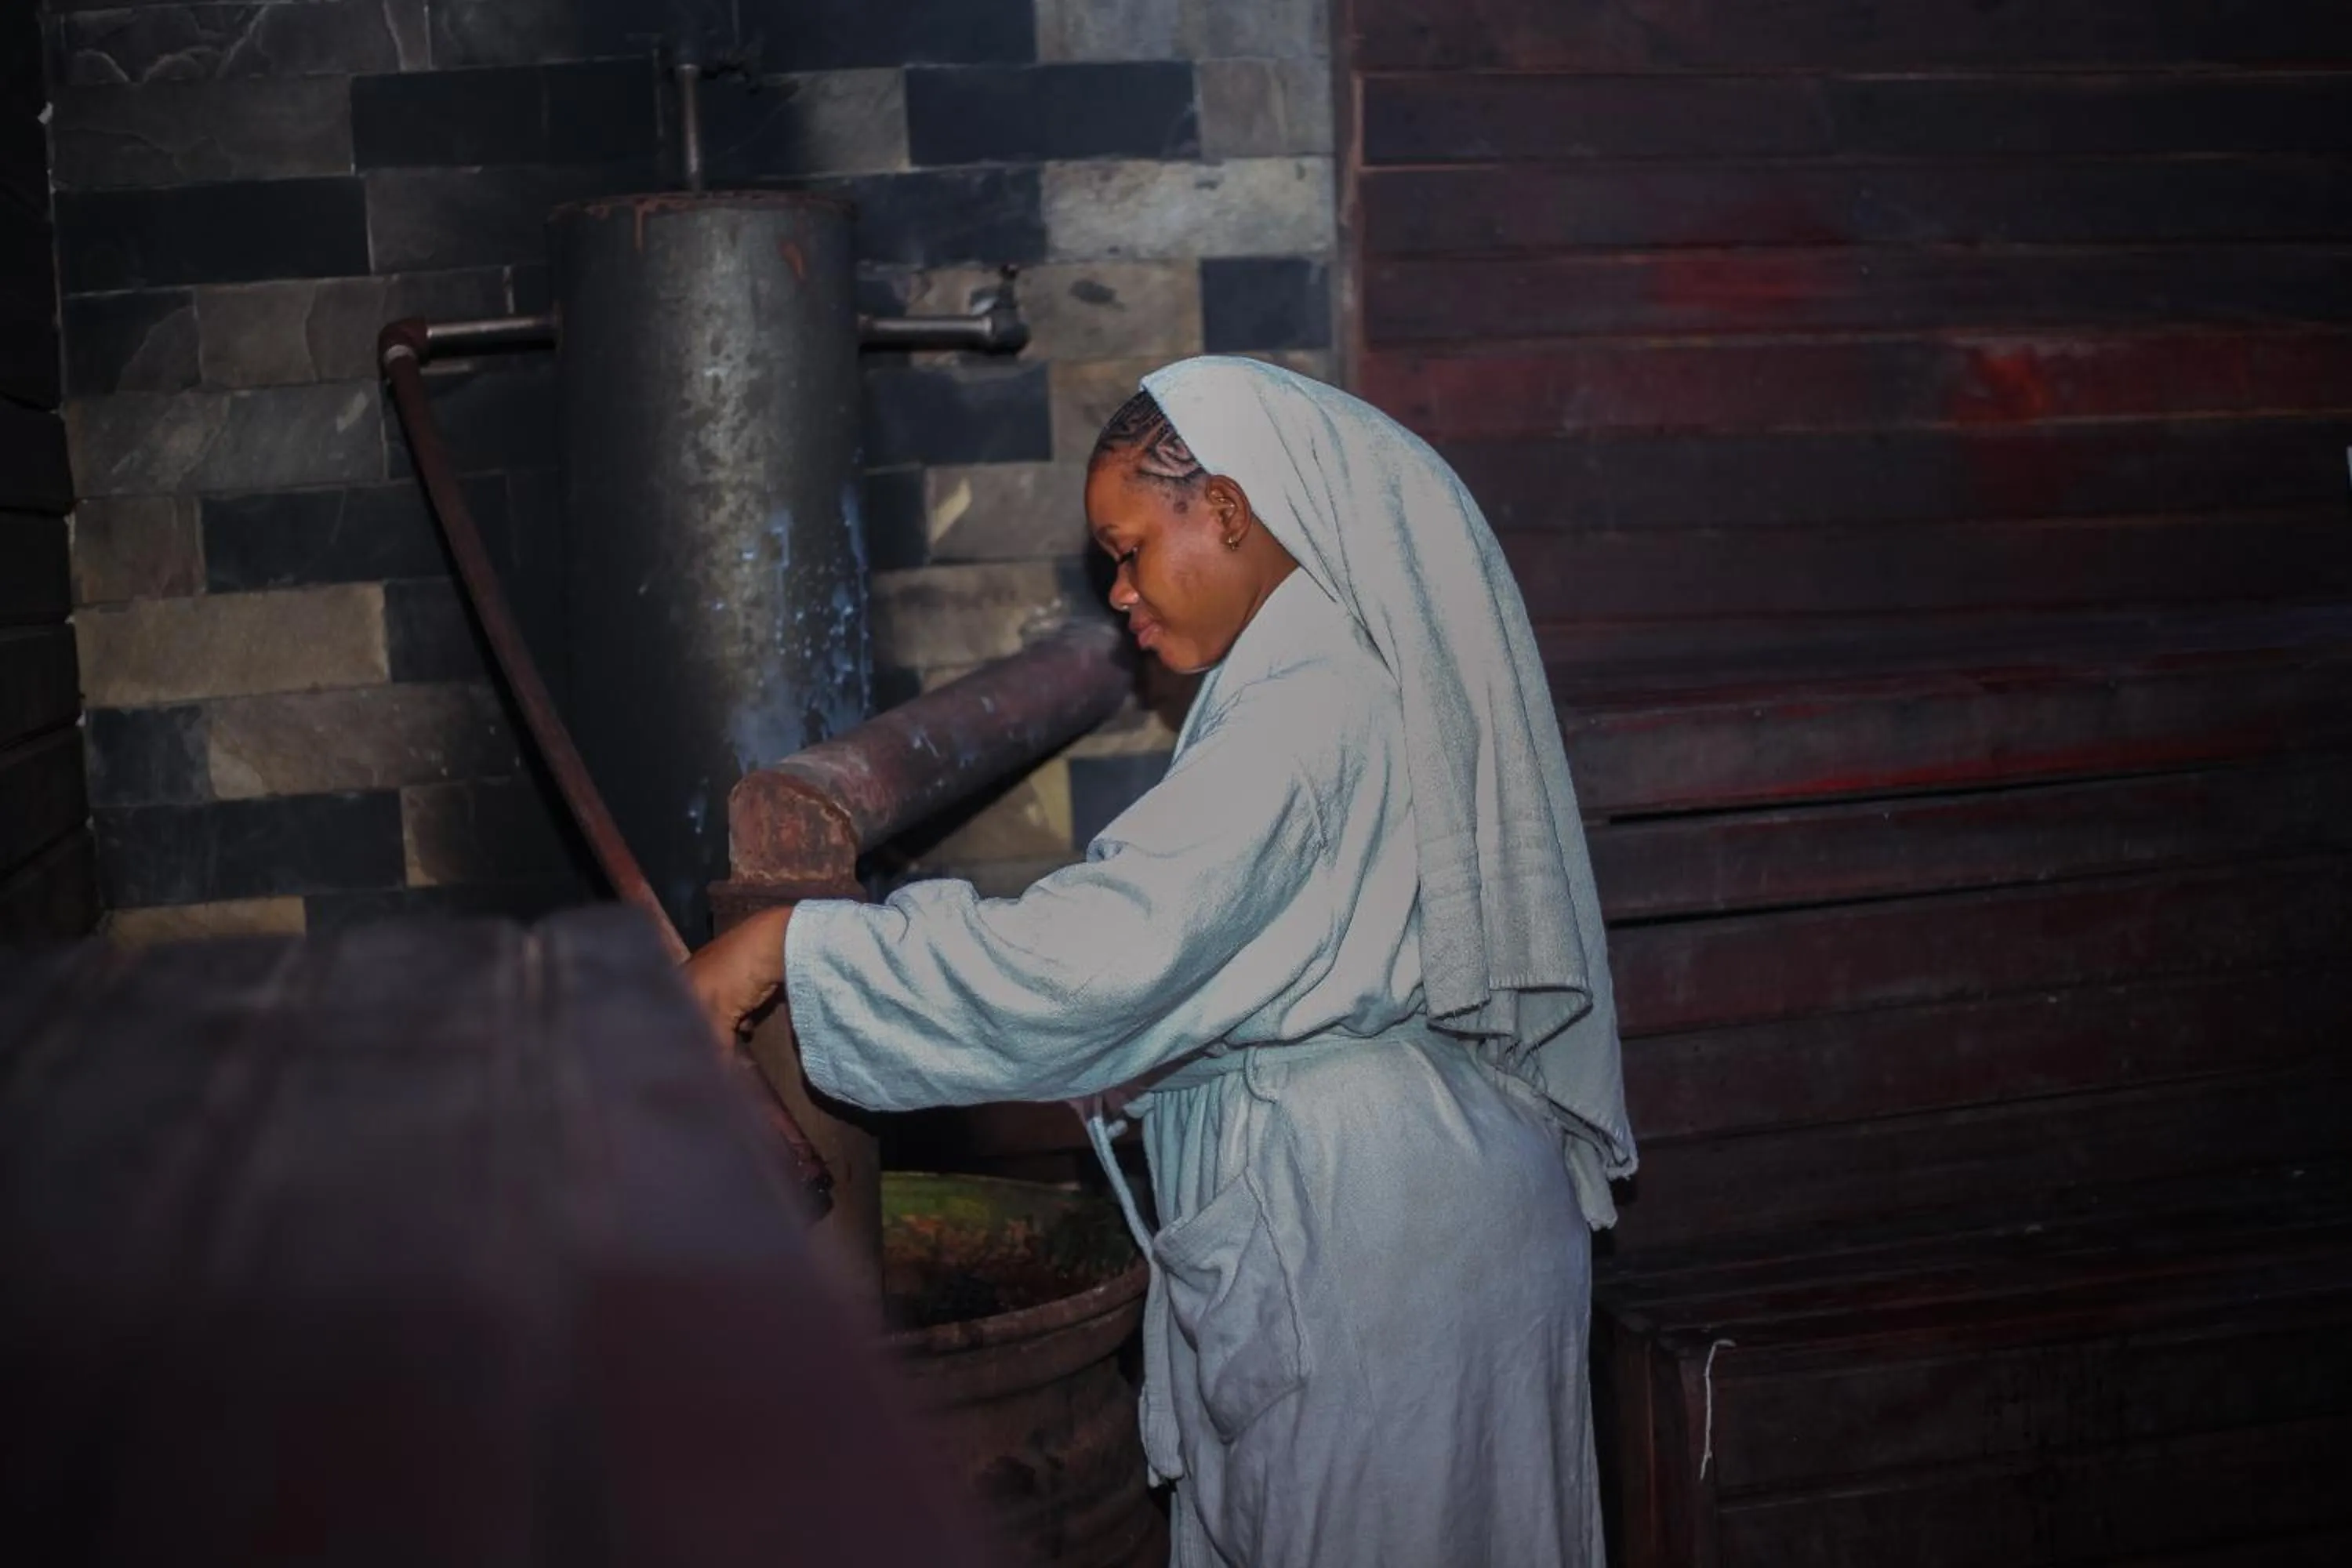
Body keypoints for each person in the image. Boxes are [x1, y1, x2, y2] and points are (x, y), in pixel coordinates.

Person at [687, 356, 1636, 1568]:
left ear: (1228, 512)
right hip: (1430, 1204)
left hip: (1370, 1240)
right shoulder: (1336, 660)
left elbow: (1096, 959)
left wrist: (788, 947)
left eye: (1130, 550)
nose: (1122, 594)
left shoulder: (1305, 703)